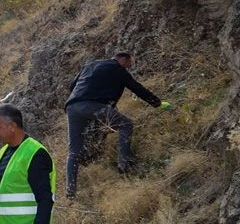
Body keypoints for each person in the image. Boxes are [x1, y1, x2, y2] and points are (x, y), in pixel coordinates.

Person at [64, 50, 172, 197]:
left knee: (74, 151)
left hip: (72, 107)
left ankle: (70, 191)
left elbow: (72, 86)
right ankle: (124, 164)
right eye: (129, 64)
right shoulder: (118, 69)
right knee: (125, 124)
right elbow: (137, 88)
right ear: (123, 60)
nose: (129, 67)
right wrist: (157, 103)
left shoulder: (91, 64)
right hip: (94, 106)